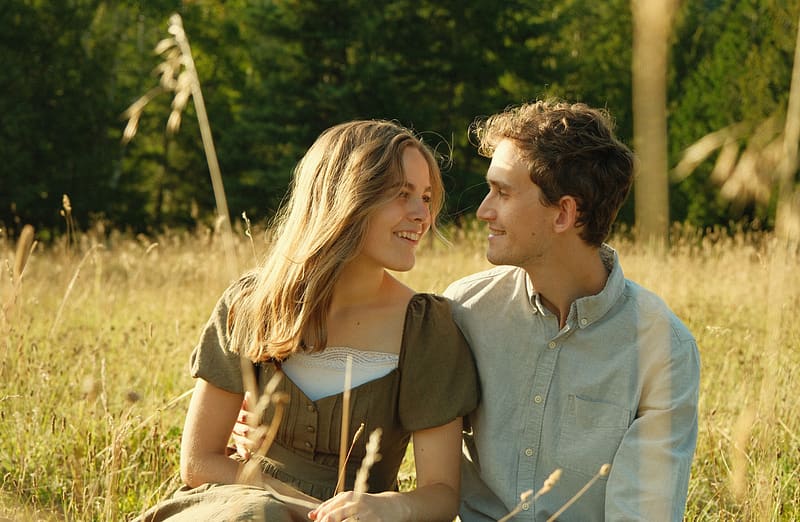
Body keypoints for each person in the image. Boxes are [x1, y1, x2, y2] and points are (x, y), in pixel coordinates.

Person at [134, 120, 479, 522]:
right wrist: (298, 507)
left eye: (426, 197)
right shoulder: (252, 303)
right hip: (238, 504)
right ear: (346, 197)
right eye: (403, 195)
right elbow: (199, 461)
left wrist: (386, 506)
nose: (423, 215)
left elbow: (441, 495)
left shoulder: (423, 327)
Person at [444, 100, 700, 521]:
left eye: (503, 192)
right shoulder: (464, 312)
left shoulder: (663, 349)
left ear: (564, 213)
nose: (483, 210)